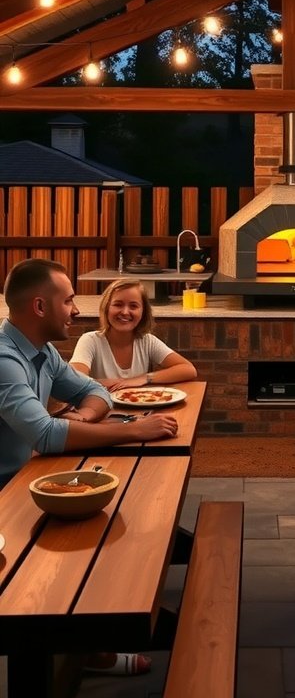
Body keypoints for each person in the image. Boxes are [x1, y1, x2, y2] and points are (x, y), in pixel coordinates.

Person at [0, 258, 179, 676]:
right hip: (6, 496)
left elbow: (94, 391)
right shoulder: (5, 361)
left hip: (28, 479)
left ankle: (88, 646)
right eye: (68, 301)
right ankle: (70, 650)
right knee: (99, 540)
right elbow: (46, 435)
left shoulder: (41, 352)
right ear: (41, 307)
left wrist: (77, 420)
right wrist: (137, 430)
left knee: (122, 524)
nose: (76, 310)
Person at [69, 278, 197, 388]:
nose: (125, 312)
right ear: (106, 308)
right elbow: (74, 381)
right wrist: (103, 383)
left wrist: (144, 378)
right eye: (118, 305)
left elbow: (188, 369)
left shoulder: (147, 341)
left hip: (139, 410)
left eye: (133, 306)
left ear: (143, 312)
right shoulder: (90, 340)